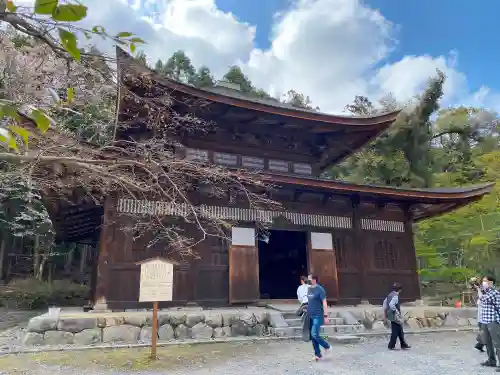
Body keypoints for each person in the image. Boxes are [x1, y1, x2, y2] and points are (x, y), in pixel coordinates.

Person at [307, 274, 331, 361]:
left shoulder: (320, 289)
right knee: (313, 336)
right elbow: (310, 301)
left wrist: (326, 315)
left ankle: (327, 346)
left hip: (318, 315)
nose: (308, 280)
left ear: (314, 280)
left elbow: (324, 303)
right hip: (310, 315)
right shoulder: (309, 288)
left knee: (314, 334)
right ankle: (318, 354)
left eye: (309, 278)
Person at [478, 275, 500, 369]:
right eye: (483, 281)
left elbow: (482, 298)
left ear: (491, 282)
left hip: (493, 321)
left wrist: (479, 289)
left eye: (485, 281)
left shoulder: (494, 292)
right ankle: (491, 361)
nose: (484, 283)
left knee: (497, 343)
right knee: (487, 342)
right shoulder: (486, 292)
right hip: (484, 321)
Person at [383, 282, 410, 350]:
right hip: (394, 314)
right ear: (400, 289)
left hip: (390, 314)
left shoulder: (389, 295)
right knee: (395, 330)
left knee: (399, 329)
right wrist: (397, 312)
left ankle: (403, 344)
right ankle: (391, 345)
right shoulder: (395, 296)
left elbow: (385, 303)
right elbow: (392, 304)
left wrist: (385, 313)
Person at [475, 277, 485, 352]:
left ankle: (480, 343)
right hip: (483, 310)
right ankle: (480, 343)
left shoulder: (481, 288)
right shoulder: (482, 288)